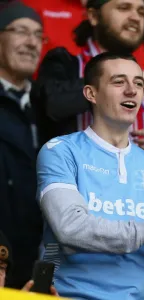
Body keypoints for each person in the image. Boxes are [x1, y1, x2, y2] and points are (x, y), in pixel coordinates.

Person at [36, 53, 144, 300]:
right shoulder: (60, 151)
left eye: (139, 83)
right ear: (91, 94)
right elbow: (70, 228)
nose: (132, 90)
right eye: (119, 82)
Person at [31, 0, 144, 160]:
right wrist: (123, 81)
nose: (135, 17)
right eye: (124, 8)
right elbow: (54, 104)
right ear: (93, 16)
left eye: (141, 12)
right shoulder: (64, 64)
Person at [0, 0, 44, 289]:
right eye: (21, 31)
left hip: (39, 267)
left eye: (39, 35)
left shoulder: (49, 109)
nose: (32, 43)